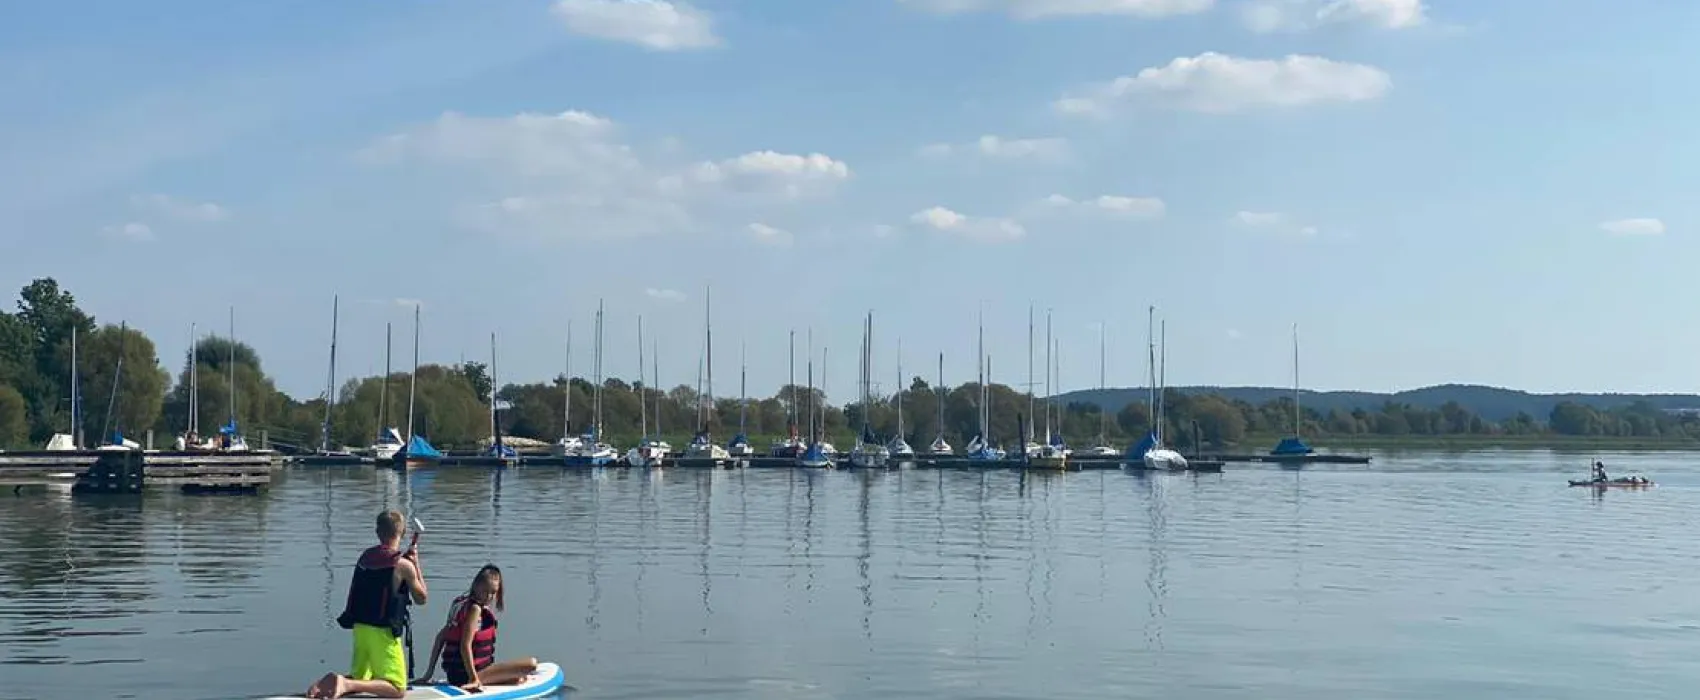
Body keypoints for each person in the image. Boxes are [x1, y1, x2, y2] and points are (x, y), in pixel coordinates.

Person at [307, 510, 429, 699]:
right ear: (403, 532)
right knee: (397, 688)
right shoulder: (403, 565)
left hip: (360, 628)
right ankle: (345, 682)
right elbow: (422, 598)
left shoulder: (365, 557)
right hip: (383, 633)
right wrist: (416, 563)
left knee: (362, 679)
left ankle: (333, 684)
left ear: (377, 532)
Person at [412, 564, 538, 691]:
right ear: (476, 586)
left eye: (493, 593)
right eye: (485, 591)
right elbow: (464, 645)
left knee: (517, 679)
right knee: (531, 664)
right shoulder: (475, 609)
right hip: (469, 674)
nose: (489, 596)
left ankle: (494, 678)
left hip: (455, 675)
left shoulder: (461, 605)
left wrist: (428, 674)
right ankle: (479, 679)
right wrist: (473, 678)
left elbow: (440, 637)